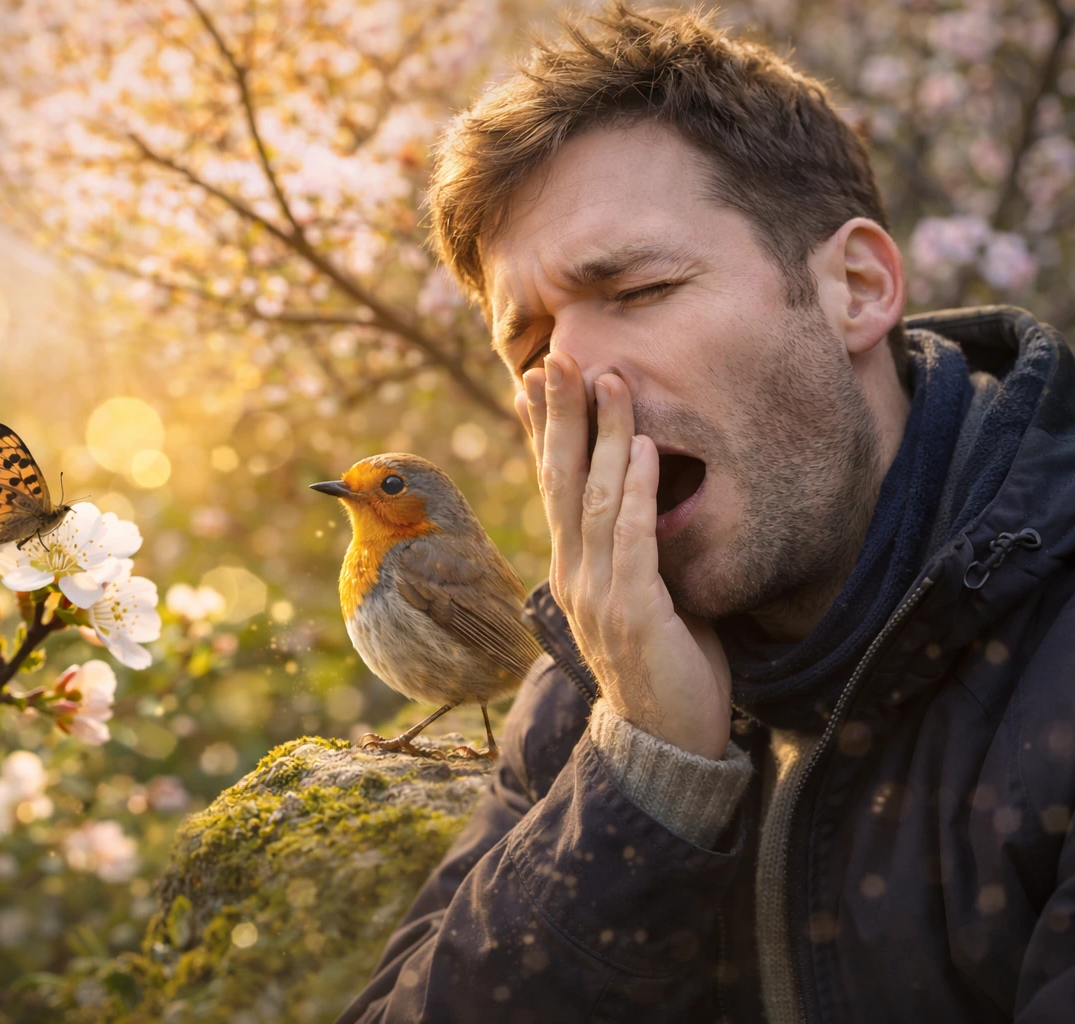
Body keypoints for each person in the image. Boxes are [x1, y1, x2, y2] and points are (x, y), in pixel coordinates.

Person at [338, 4, 1075, 1022]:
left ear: (856, 287)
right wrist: (645, 769)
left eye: (638, 289)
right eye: (530, 352)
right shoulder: (590, 682)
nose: (578, 378)